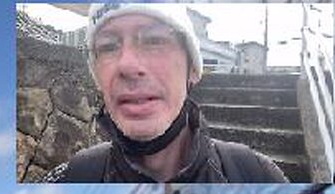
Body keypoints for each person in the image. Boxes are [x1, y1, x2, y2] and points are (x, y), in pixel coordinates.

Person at [45, 4, 289, 183]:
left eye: (153, 40)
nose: (127, 66)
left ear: (192, 68)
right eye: (108, 47)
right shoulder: (68, 179)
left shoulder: (256, 175)